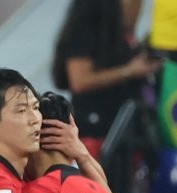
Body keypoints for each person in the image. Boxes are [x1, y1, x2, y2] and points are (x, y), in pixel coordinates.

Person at [52, 0, 160, 157]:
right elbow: (80, 81)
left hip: (128, 128)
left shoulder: (120, 32)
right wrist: (129, 71)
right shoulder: (83, 30)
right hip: (98, 133)